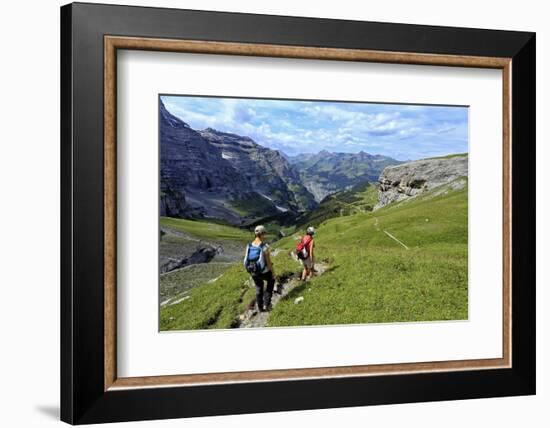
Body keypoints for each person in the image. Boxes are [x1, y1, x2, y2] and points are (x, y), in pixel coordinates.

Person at [243, 225, 275, 312]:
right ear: (262, 234)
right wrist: (273, 273)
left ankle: (260, 308)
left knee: (258, 287)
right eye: (264, 233)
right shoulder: (264, 247)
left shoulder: (249, 245)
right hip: (263, 271)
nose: (265, 236)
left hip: (252, 270)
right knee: (271, 281)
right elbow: (268, 263)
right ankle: (267, 304)